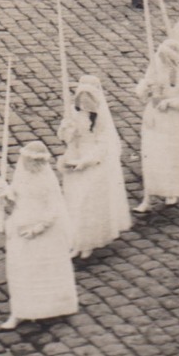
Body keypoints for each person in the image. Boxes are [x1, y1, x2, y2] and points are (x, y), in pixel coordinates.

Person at [0, 140, 78, 331]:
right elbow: (15, 198)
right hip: (20, 225)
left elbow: (53, 210)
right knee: (20, 270)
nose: (24, 164)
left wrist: (37, 229)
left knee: (43, 270)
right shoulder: (21, 175)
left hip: (42, 231)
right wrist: (5, 191)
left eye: (29, 161)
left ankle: (54, 306)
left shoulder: (46, 181)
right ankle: (20, 311)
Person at [57, 75, 131, 259]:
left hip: (93, 163)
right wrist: (66, 129)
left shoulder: (100, 119)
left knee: (86, 203)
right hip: (75, 157)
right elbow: (65, 138)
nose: (83, 104)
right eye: (80, 100)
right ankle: (76, 241)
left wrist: (86, 161)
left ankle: (88, 242)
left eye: (86, 101)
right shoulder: (73, 114)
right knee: (74, 203)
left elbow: (102, 146)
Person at [134, 39, 179, 212]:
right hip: (155, 119)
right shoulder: (155, 69)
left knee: (172, 156)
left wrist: (170, 102)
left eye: (165, 58)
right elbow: (143, 89)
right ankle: (147, 198)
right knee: (151, 154)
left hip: (174, 121)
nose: (161, 61)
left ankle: (171, 192)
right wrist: (144, 89)